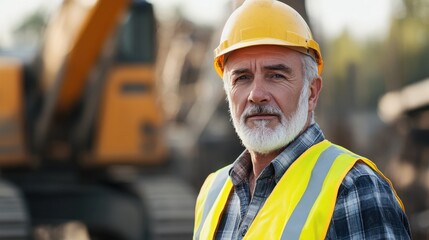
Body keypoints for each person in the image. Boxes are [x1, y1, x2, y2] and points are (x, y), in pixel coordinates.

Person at [193, 0, 411, 239]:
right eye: (242, 78)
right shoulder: (212, 193)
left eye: (276, 75)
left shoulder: (355, 188)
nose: (256, 95)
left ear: (312, 92)